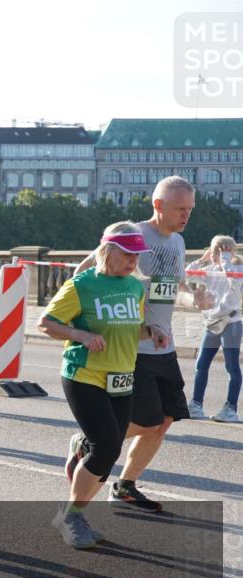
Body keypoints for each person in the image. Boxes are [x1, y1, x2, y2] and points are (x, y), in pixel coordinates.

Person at [73, 175, 195, 512]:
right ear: (158, 206)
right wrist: (85, 315)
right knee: (145, 419)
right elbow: (86, 269)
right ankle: (89, 443)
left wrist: (194, 293)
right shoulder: (134, 233)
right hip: (132, 347)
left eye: (190, 209)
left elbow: (174, 286)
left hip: (163, 346)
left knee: (165, 420)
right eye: (180, 209)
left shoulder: (179, 242)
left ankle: (125, 486)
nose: (186, 215)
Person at [40, 223, 157, 548]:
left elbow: (130, 327)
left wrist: (150, 332)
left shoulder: (134, 288)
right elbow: (46, 323)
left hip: (122, 377)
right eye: (128, 253)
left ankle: (73, 511)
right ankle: (72, 516)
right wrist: (81, 335)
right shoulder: (82, 285)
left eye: (138, 254)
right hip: (84, 375)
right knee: (105, 446)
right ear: (108, 251)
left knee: (109, 450)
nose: (134, 261)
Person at [186, 235, 242, 423]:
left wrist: (226, 260)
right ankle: (196, 405)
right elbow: (189, 274)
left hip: (231, 323)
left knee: (232, 366)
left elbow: (233, 283)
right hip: (213, 323)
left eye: (214, 251)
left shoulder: (237, 268)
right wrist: (202, 259)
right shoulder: (210, 270)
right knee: (202, 364)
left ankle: (231, 409)